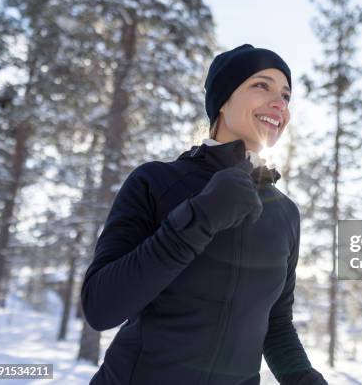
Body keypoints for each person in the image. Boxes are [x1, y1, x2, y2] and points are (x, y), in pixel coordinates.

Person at [81, 44, 328, 385]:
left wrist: (304, 379)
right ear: (223, 100)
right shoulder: (156, 181)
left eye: (286, 96)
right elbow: (100, 306)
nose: (280, 103)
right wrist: (200, 217)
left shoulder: (285, 213)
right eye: (262, 85)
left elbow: (275, 323)